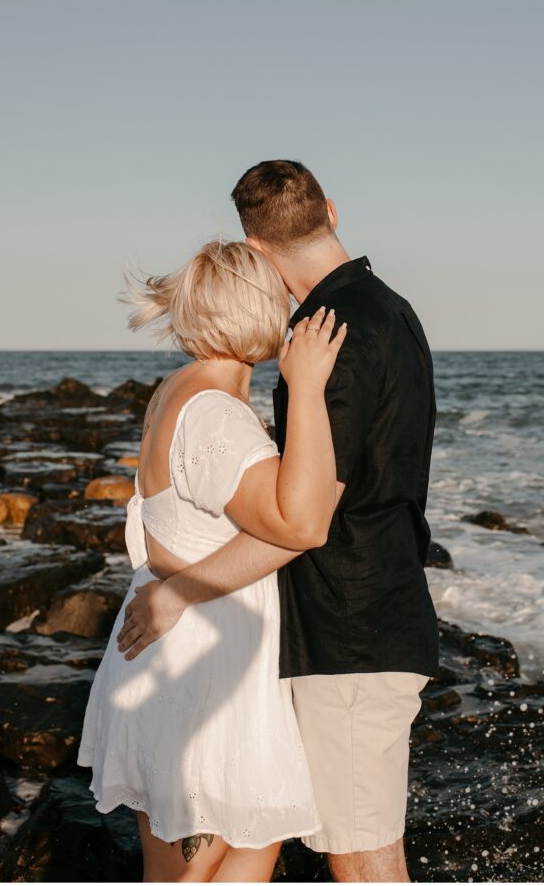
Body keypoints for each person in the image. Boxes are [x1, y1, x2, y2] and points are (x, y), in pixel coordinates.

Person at [118, 160, 441, 883]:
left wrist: (179, 590)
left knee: (358, 853)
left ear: (256, 249)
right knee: (277, 842)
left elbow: (307, 515)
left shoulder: (327, 334)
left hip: (347, 630)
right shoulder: (389, 308)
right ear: (331, 207)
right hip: (356, 617)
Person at [77, 238, 348, 883]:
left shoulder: (179, 389)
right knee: (209, 864)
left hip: (181, 656)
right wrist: (306, 391)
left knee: (243, 847)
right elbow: (302, 523)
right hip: (200, 668)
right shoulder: (216, 417)